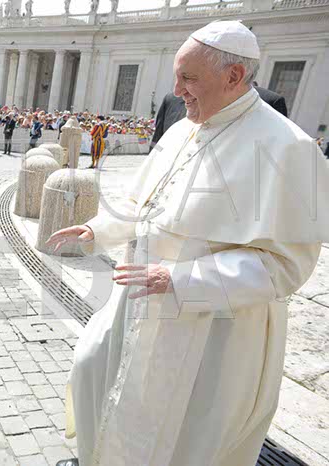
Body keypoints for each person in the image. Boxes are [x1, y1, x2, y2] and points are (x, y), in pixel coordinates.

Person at [48, 21, 329, 466]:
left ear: (234, 76)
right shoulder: (183, 129)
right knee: (92, 368)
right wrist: (97, 230)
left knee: (181, 435)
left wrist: (181, 279)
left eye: (188, 78)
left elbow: (286, 265)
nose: (177, 90)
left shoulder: (288, 147)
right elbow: (142, 203)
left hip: (212, 328)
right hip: (138, 301)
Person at [150, 85, 287, 149]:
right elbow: (157, 142)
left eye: (188, 76)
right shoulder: (171, 99)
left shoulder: (269, 101)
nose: (178, 89)